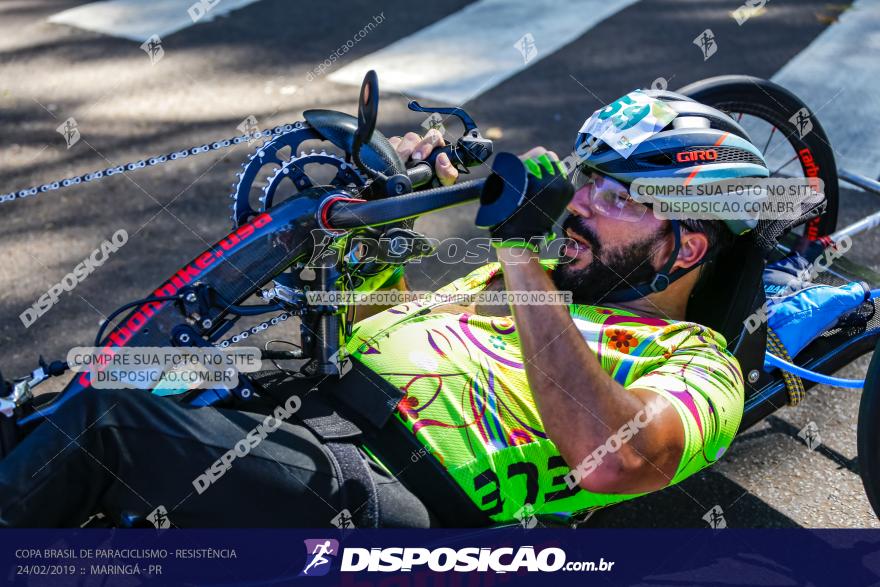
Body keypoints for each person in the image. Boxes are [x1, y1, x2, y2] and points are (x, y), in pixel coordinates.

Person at [0, 91, 768, 528]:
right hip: (310, 414)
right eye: (588, 178)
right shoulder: (543, 294)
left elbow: (619, 458)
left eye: (616, 195)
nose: (580, 203)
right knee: (59, 393)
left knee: (108, 424)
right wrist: (383, 212)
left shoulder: (700, 365)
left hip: (389, 496)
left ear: (687, 246)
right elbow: (375, 330)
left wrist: (519, 253)